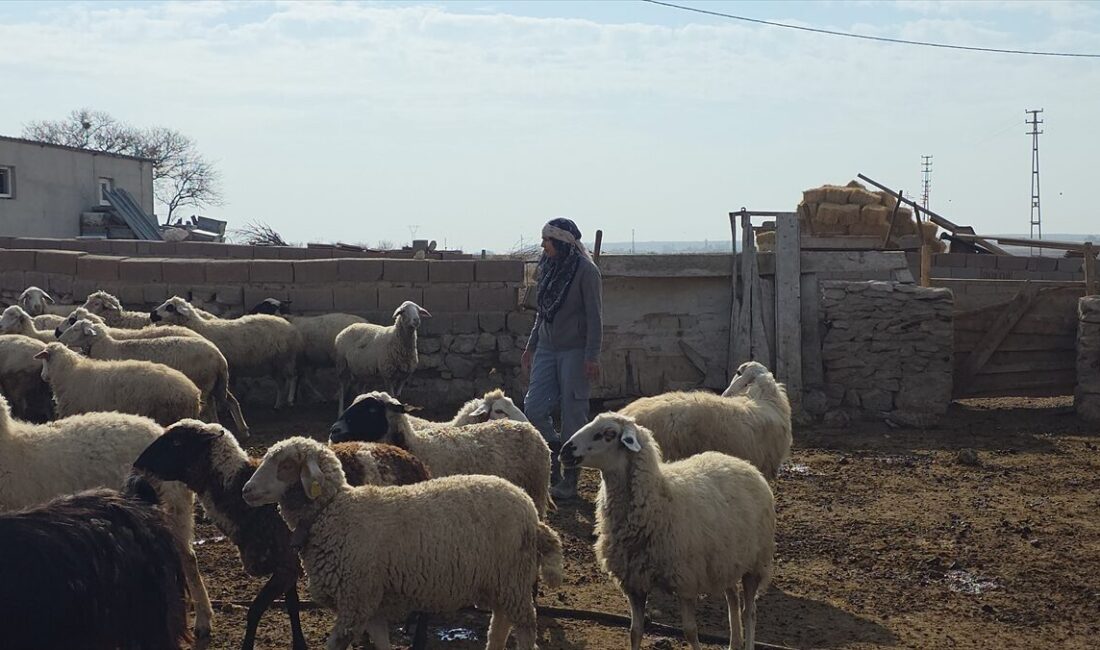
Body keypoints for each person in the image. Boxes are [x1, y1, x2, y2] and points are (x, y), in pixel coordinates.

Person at [522, 217, 602, 500]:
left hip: (575, 351)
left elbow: (594, 317)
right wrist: (532, 345)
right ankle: (556, 448)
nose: (543, 246)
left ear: (562, 243)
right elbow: (542, 312)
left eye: (548, 241)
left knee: (572, 414)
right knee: (533, 407)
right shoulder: (548, 268)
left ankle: (570, 480)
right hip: (547, 347)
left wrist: (591, 356)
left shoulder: (586, 272)